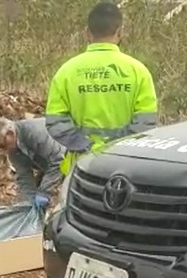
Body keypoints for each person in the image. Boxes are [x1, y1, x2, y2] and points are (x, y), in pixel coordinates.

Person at [45, 1, 158, 176]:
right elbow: (146, 122)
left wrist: (86, 146)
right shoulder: (138, 71)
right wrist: (115, 146)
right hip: (124, 168)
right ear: (120, 32)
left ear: (87, 33)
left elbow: (55, 122)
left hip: (81, 168)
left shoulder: (66, 72)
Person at [0, 117, 66, 210]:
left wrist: (45, 191)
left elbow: (58, 161)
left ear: (10, 134)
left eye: (2, 145)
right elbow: (24, 177)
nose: (4, 150)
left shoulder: (35, 133)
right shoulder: (12, 149)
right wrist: (28, 203)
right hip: (51, 161)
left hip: (73, 154)